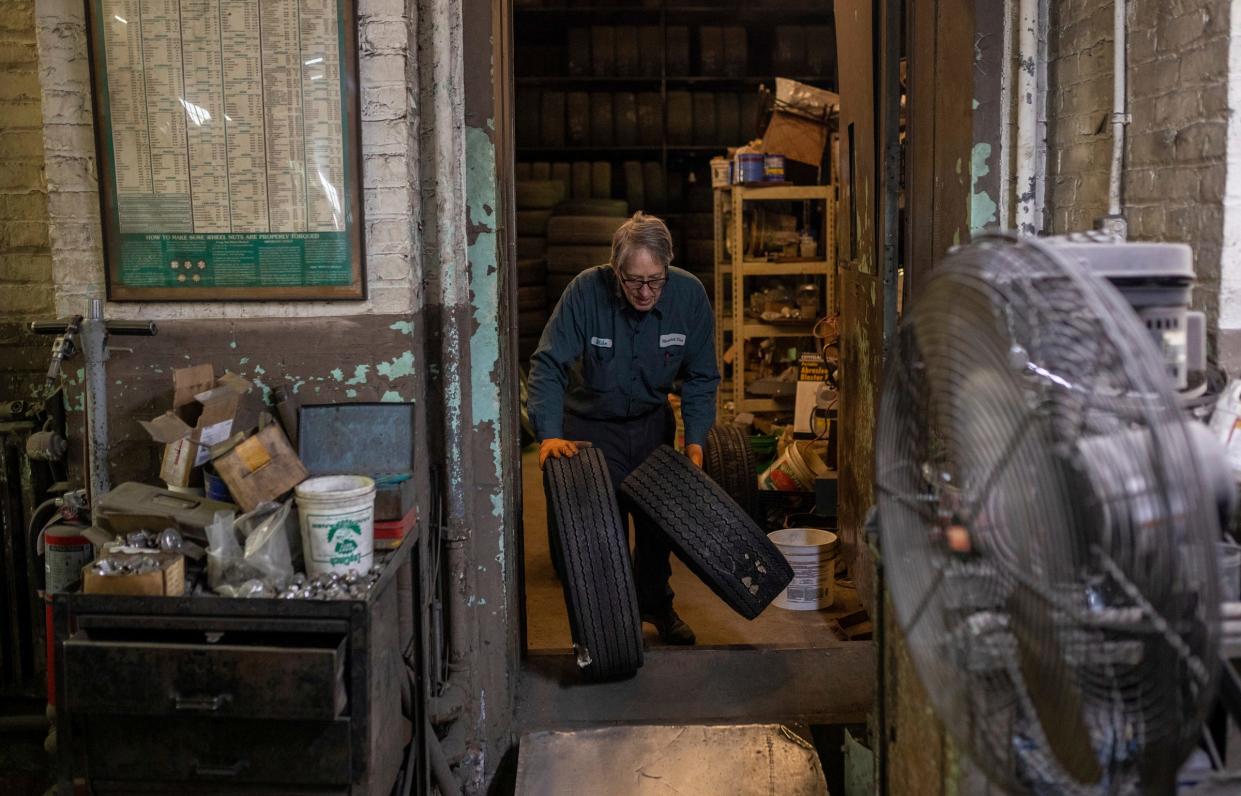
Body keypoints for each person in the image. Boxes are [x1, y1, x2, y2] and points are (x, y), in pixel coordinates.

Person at [528, 212, 720, 646]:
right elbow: (548, 364)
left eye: (656, 280)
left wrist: (695, 441)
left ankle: (655, 605)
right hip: (590, 430)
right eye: (634, 281)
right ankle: (607, 627)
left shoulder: (689, 297)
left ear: (668, 267)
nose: (646, 292)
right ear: (616, 271)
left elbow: (703, 376)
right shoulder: (585, 291)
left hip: (652, 426)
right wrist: (549, 434)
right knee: (601, 535)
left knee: (657, 527)